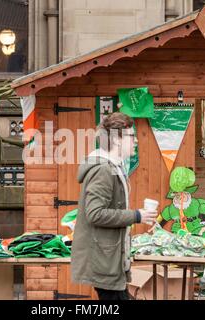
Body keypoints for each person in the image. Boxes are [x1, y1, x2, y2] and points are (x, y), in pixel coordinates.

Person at [71, 112, 158, 300]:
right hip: (104, 262)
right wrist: (136, 216)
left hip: (110, 261)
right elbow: (95, 213)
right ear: (118, 140)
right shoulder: (103, 169)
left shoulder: (113, 167)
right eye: (131, 136)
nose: (135, 141)